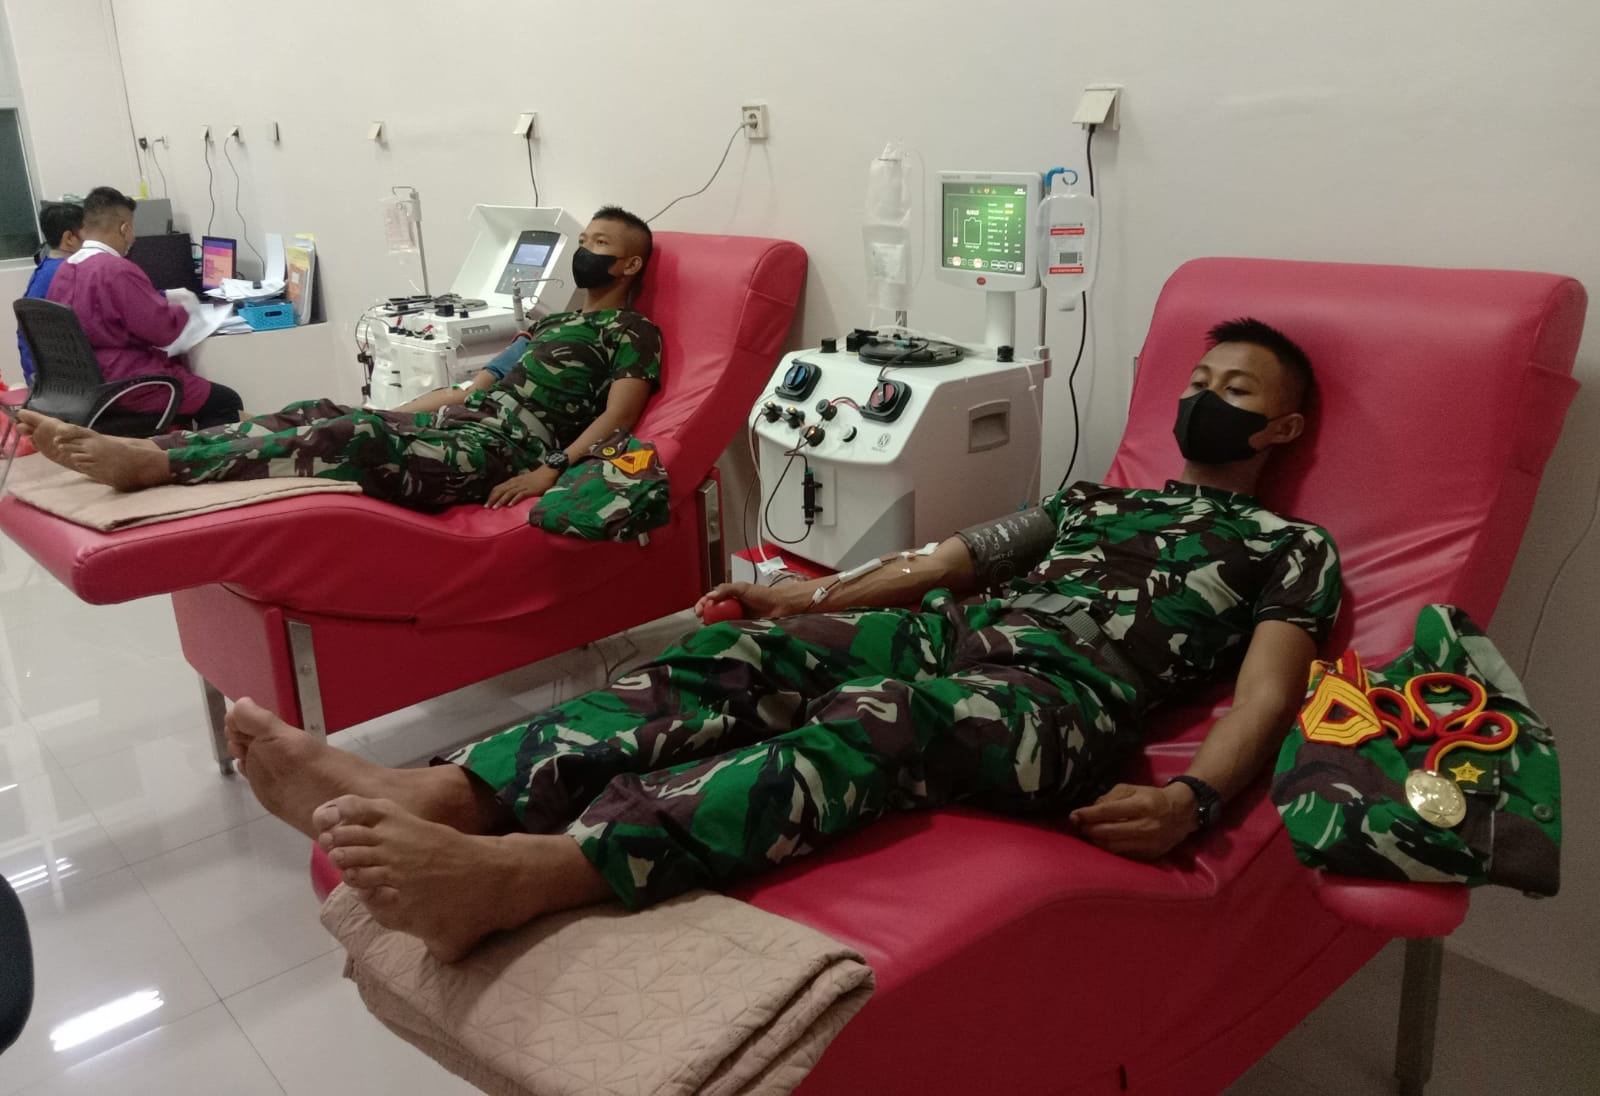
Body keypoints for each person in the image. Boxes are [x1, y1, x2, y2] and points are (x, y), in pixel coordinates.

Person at [220, 317, 1340, 963]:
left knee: (884, 721)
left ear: (1281, 426)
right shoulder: (1097, 499)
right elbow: (949, 559)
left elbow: (1266, 695)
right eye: (1200, 380)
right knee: (736, 660)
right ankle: (451, 793)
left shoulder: (1290, 547)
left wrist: (1195, 801)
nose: (1206, 398)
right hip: (953, 632)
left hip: (1062, 700)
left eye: (1235, 389)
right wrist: (802, 604)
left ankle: (542, 872)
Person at [19, 207, 662, 512]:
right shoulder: (552, 323)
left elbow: (620, 417)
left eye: (599, 243)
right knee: (324, 411)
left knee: (349, 438)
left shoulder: (631, 331)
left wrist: (551, 469)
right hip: (465, 426)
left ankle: (156, 466)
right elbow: (468, 391)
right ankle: (155, 451)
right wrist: (398, 415)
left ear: (629, 263)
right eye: (582, 239)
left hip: (511, 450)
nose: (585, 250)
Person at [39, 186, 244, 427]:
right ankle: (203, 453)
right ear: (125, 228)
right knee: (225, 400)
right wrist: (188, 309)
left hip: (86, 384)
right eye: (133, 230)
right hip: (128, 382)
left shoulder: (65, 269)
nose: (133, 239)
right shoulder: (116, 270)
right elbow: (162, 330)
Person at [17, 201, 86, 385]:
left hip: (41, 377)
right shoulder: (70, 273)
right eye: (89, 233)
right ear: (69, 238)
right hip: (66, 379)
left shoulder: (45, 269)